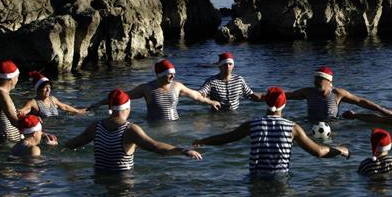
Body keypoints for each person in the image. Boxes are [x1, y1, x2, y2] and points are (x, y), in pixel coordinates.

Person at [193, 87, 350, 178]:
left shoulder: (252, 125)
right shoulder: (292, 128)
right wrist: (340, 150)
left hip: (255, 178)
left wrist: (203, 141)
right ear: (284, 104)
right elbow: (319, 152)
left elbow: (227, 138)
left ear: (266, 103)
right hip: (280, 179)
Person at [65, 88, 203, 172]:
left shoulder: (96, 126)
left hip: (98, 178)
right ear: (127, 108)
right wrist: (184, 151)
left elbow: (71, 145)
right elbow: (156, 147)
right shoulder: (130, 130)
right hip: (123, 181)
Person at [88, 59, 221, 120]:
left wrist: (211, 102)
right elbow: (122, 97)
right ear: (161, 74)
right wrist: (99, 103)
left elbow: (197, 96)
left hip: (175, 124)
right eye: (169, 73)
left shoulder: (177, 86)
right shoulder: (147, 88)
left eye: (173, 73)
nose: (173, 76)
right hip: (154, 126)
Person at [286, 66, 392, 122]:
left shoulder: (337, 94)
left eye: (319, 79)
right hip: (311, 124)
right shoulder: (308, 92)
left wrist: (382, 110)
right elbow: (288, 95)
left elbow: (361, 101)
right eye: (315, 79)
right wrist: (270, 95)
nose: (316, 82)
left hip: (332, 126)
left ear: (329, 81)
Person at [198, 52, 263, 111]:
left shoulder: (239, 80)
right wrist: (209, 101)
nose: (228, 66)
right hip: (217, 115)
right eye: (225, 64)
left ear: (233, 66)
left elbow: (250, 95)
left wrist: (267, 97)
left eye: (230, 64)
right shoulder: (211, 81)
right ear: (220, 66)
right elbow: (200, 95)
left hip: (234, 114)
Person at [19, 71, 87, 118]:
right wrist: (27, 116)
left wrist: (78, 111)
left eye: (49, 87)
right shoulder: (33, 103)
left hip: (57, 129)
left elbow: (65, 107)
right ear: (38, 89)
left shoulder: (52, 99)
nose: (48, 90)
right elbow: (22, 112)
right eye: (45, 88)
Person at [0, 60, 23, 143]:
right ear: (11, 78)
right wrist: (35, 124)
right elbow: (15, 122)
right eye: (17, 77)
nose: (17, 80)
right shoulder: (2, 95)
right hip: (7, 142)